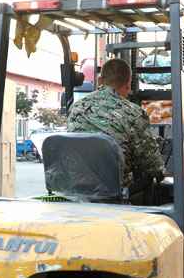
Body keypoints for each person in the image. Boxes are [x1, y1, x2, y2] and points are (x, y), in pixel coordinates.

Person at [67, 58, 164, 192]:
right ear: (128, 84)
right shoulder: (134, 113)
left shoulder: (76, 107)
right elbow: (153, 166)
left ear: (100, 81)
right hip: (114, 192)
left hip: (76, 188)